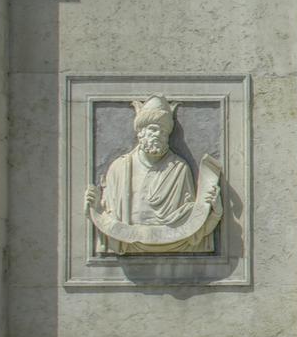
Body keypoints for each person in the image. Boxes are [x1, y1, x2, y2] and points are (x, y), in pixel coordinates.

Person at [85, 96, 216, 253]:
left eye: (164, 131)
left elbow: (189, 219)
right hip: (127, 241)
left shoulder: (179, 168)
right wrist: (95, 210)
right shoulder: (118, 169)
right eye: (153, 129)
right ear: (141, 133)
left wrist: (214, 212)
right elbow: (110, 216)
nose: (158, 134)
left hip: (173, 239)